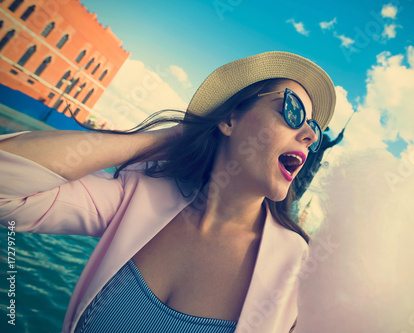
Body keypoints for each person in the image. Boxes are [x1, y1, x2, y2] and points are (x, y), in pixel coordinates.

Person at [0, 51, 336, 333]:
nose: (308, 134)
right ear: (230, 120)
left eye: (315, 131)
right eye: (293, 111)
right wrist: (170, 138)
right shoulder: (139, 194)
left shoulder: (302, 272)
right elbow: (7, 191)